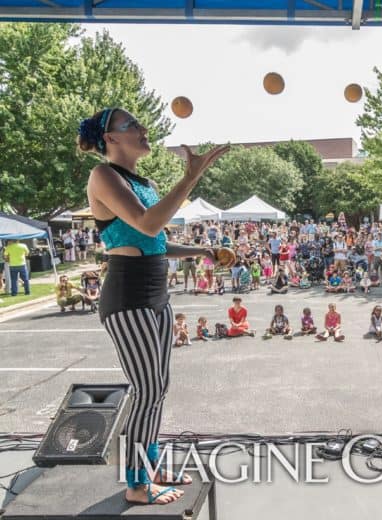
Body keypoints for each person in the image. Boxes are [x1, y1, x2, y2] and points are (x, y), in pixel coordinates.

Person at [80, 106, 232, 505]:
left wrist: (202, 251)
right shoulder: (103, 175)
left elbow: (156, 242)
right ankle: (136, 484)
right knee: (147, 390)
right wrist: (191, 176)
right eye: (131, 125)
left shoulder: (141, 181)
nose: (142, 129)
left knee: (157, 388)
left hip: (155, 295)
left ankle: (148, 465)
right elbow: (148, 224)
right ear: (110, 139)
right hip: (127, 297)